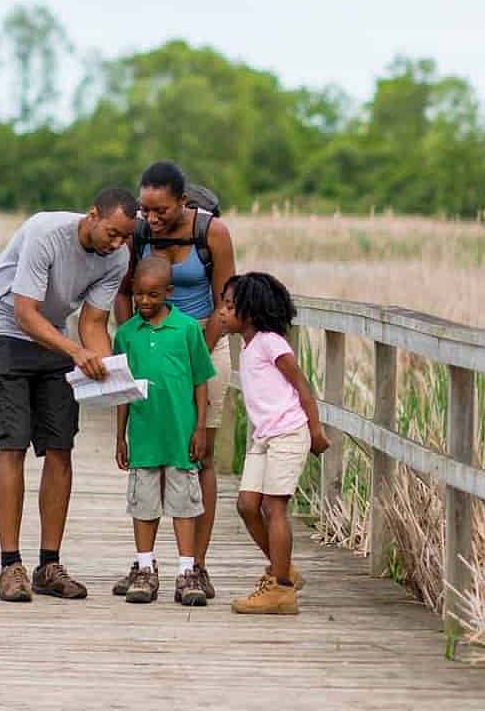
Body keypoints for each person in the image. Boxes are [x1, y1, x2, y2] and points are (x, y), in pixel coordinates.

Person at [0, 187, 137, 602]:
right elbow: (24, 313)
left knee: (60, 446)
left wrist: (107, 372)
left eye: (124, 237)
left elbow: (94, 323)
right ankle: (10, 565)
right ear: (93, 214)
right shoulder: (46, 232)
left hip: (54, 339)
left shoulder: (117, 257)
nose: (116, 244)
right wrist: (77, 354)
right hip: (2, 330)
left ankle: (49, 565)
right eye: (112, 233)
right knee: (13, 445)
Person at [115, 161, 237, 599]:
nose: (152, 218)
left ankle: (195, 566)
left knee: (197, 452)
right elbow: (124, 290)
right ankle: (145, 563)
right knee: (150, 454)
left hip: (204, 341)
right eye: (145, 210)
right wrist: (128, 345)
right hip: (151, 345)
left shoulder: (212, 233)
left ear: (182, 203)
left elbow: (227, 301)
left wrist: (193, 353)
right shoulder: (140, 233)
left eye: (161, 210)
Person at [216, 272, 329, 615]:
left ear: (250, 312)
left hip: (288, 432)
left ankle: (280, 589)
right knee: (247, 505)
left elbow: (302, 386)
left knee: (273, 507)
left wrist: (316, 430)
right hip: (263, 437)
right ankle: (285, 570)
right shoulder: (248, 345)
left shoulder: (270, 342)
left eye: (230, 306)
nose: (222, 311)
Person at [110, 255, 217, 606]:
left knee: (183, 503)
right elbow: (122, 390)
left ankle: (187, 571)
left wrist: (200, 428)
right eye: (138, 294)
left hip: (180, 435)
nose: (144, 301)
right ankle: (144, 567)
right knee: (144, 503)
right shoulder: (126, 335)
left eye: (152, 295)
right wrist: (120, 436)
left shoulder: (187, 329)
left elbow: (201, 381)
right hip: (143, 436)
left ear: (168, 292)